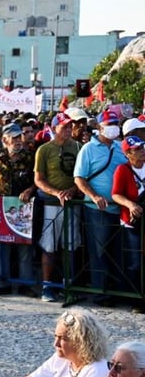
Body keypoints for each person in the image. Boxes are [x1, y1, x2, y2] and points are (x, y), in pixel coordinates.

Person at [74, 110, 127, 300]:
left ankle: (118, 291)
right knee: (99, 251)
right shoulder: (88, 148)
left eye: (115, 124)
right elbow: (79, 178)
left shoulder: (121, 147)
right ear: (99, 127)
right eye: (109, 124)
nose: (113, 128)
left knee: (118, 251)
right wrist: (94, 196)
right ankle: (100, 292)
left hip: (119, 208)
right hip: (96, 209)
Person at [33, 112, 83, 302]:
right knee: (49, 246)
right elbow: (39, 179)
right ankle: (47, 285)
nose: (69, 130)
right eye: (64, 127)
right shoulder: (44, 150)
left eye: (70, 127)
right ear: (54, 128)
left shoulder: (78, 147)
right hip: (51, 204)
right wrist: (56, 193)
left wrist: (71, 190)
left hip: (73, 204)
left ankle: (68, 284)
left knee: (70, 245)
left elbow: (82, 175)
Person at [0, 123, 37, 297]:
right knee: (1, 245)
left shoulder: (29, 157)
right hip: (2, 204)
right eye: (13, 137)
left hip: (24, 206)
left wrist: (30, 190)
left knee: (24, 246)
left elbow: (36, 180)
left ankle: (25, 283)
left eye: (18, 137)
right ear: (5, 140)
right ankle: (1, 283)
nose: (17, 140)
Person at [111, 136, 145, 299]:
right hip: (131, 222)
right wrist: (130, 205)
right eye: (136, 149)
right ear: (127, 154)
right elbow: (116, 194)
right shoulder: (122, 170)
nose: (141, 151)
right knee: (134, 261)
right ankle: (135, 297)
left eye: (142, 147)